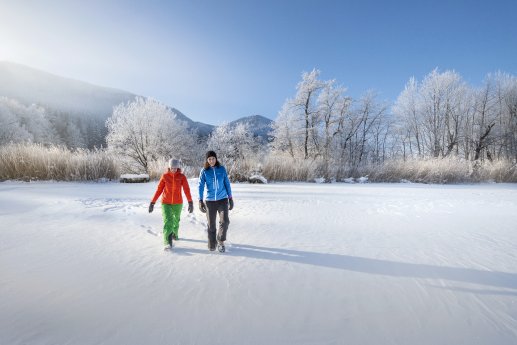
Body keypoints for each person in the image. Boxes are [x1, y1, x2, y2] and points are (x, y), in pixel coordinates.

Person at [149, 158, 193, 251]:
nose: (174, 169)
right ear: (169, 167)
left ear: (178, 168)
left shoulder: (182, 177)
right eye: (172, 168)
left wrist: (190, 202)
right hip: (166, 202)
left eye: (175, 168)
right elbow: (159, 190)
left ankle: (174, 234)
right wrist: (152, 202)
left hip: (178, 203)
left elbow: (186, 190)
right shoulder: (165, 176)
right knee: (168, 221)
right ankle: (167, 242)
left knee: (176, 220)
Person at [198, 151, 233, 252]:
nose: (211, 161)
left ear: (216, 159)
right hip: (210, 201)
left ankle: (221, 241)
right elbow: (200, 186)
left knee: (225, 221)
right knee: (211, 224)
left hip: (223, 199)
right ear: (207, 160)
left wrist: (230, 198)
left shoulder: (221, 169)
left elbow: (227, 183)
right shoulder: (204, 171)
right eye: (209, 159)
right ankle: (212, 243)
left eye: (213, 158)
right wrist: (200, 200)